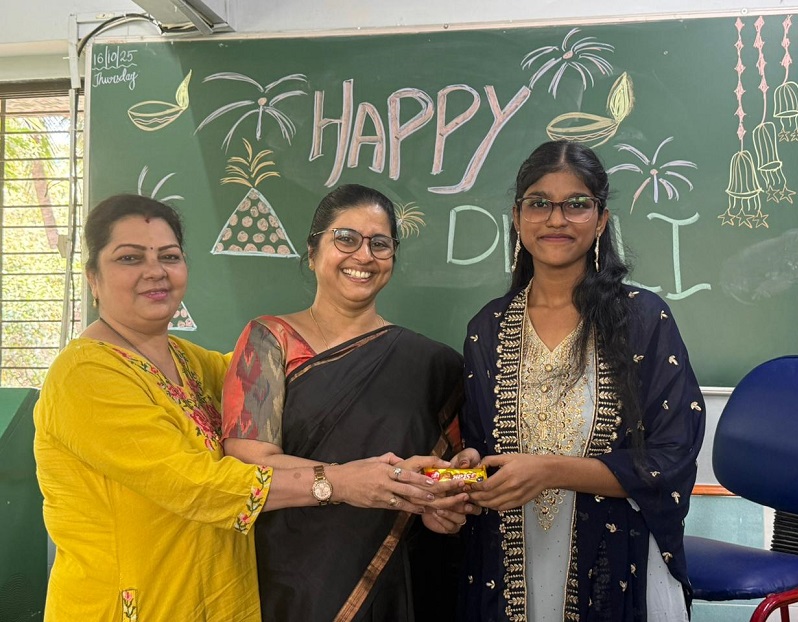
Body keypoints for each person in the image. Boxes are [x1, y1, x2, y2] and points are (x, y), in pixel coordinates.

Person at [455, 141, 706, 621]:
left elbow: (670, 458)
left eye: (576, 204)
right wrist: (468, 467)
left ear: (601, 220)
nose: (556, 219)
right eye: (539, 203)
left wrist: (550, 471)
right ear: (516, 217)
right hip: (508, 558)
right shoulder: (488, 328)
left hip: (615, 559)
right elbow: (480, 447)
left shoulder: (642, 319)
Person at [221, 183, 471, 622]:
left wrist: (447, 499)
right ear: (313, 251)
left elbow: (449, 475)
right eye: (346, 238)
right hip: (292, 581)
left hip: (398, 582)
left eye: (380, 244)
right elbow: (248, 467)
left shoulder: (435, 365)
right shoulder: (270, 341)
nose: (364, 255)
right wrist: (346, 481)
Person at [33, 194, 277, 621]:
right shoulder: (82, 374)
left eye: (169, 256)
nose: (155, 271)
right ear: (93, 278)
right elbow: (197, 485)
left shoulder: (189, 360)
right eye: (129, 258)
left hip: (216, 597)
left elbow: (263, 378)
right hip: (131, 607)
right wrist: (334, 483)